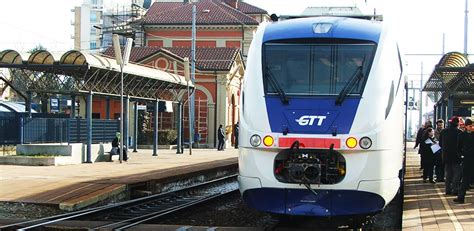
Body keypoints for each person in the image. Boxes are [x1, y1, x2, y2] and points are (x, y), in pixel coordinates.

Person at [439, 117, 462, 195]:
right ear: (458, 124)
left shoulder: (443, 131)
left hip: (446, 156)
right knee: (457, 173)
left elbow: (440, 144)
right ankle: (455, 189)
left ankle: (447, 190)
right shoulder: (459, 132)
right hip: (456, 156)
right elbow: (461, 146)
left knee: (448, 173)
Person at [454, 119, 474, 204]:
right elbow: (458, 148)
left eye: (472, 126)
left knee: (465, 179)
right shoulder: (461, 135)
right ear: (466, 126)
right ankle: (461, 197)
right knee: (465, 179)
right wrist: (462, 156)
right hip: (467, 160)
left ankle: (460, 197)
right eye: (470, 126)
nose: (472, 127)